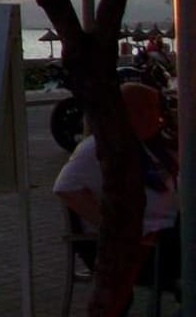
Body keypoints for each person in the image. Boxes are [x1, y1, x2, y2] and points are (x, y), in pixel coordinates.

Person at [54, 82, 179, 297]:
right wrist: (120, 229)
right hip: (139, 248)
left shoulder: (147, 146)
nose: (159, 116)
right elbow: (65, 187)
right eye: (152, 108)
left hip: (166, 231)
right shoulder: (99, 147)